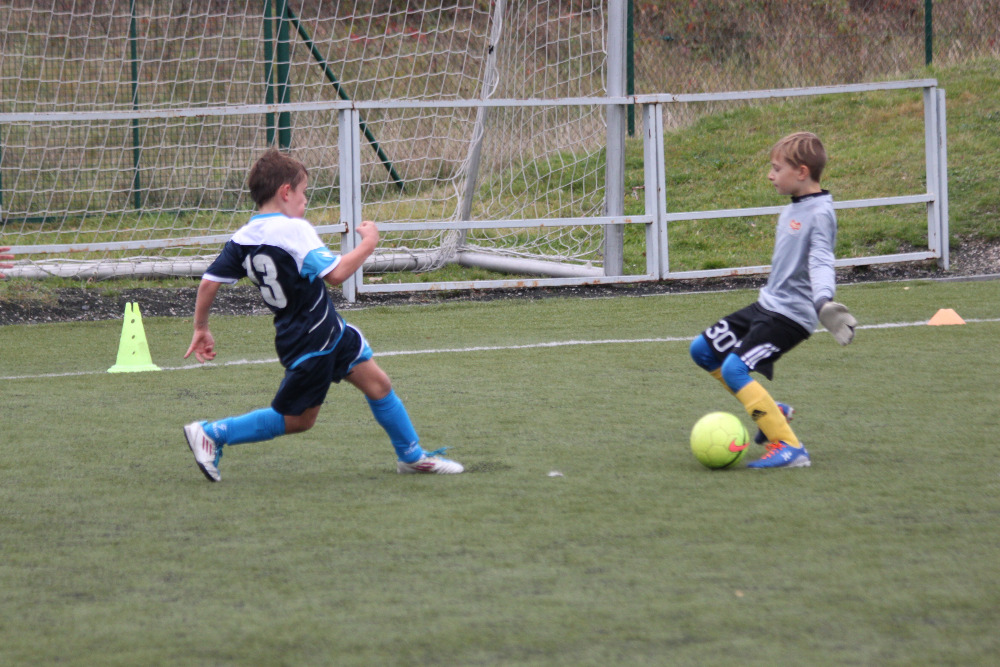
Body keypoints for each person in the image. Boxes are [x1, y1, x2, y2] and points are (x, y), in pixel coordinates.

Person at [183, 148, 463, 481]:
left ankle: (412, 457)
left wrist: (201, 327)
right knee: (299, 420)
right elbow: (336, 274)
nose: (305, 201)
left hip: (321, 332)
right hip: (312, 340)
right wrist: (369, 244)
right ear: (285, 192)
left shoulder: (242, 239)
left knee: (379, 385)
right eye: (303, 193)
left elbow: (209, 282)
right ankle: (212, 433)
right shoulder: (293, 229)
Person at [688, 132, 856, 469]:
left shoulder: (820, 213)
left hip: (790, 318)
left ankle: (791, 447)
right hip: (767, 306)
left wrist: (823, 302)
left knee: (734, 368)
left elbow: (821, 261)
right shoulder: (796, 207)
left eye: (777, 168)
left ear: (802, 172)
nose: (770, 175)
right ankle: (770, 411)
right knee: (702, 350)